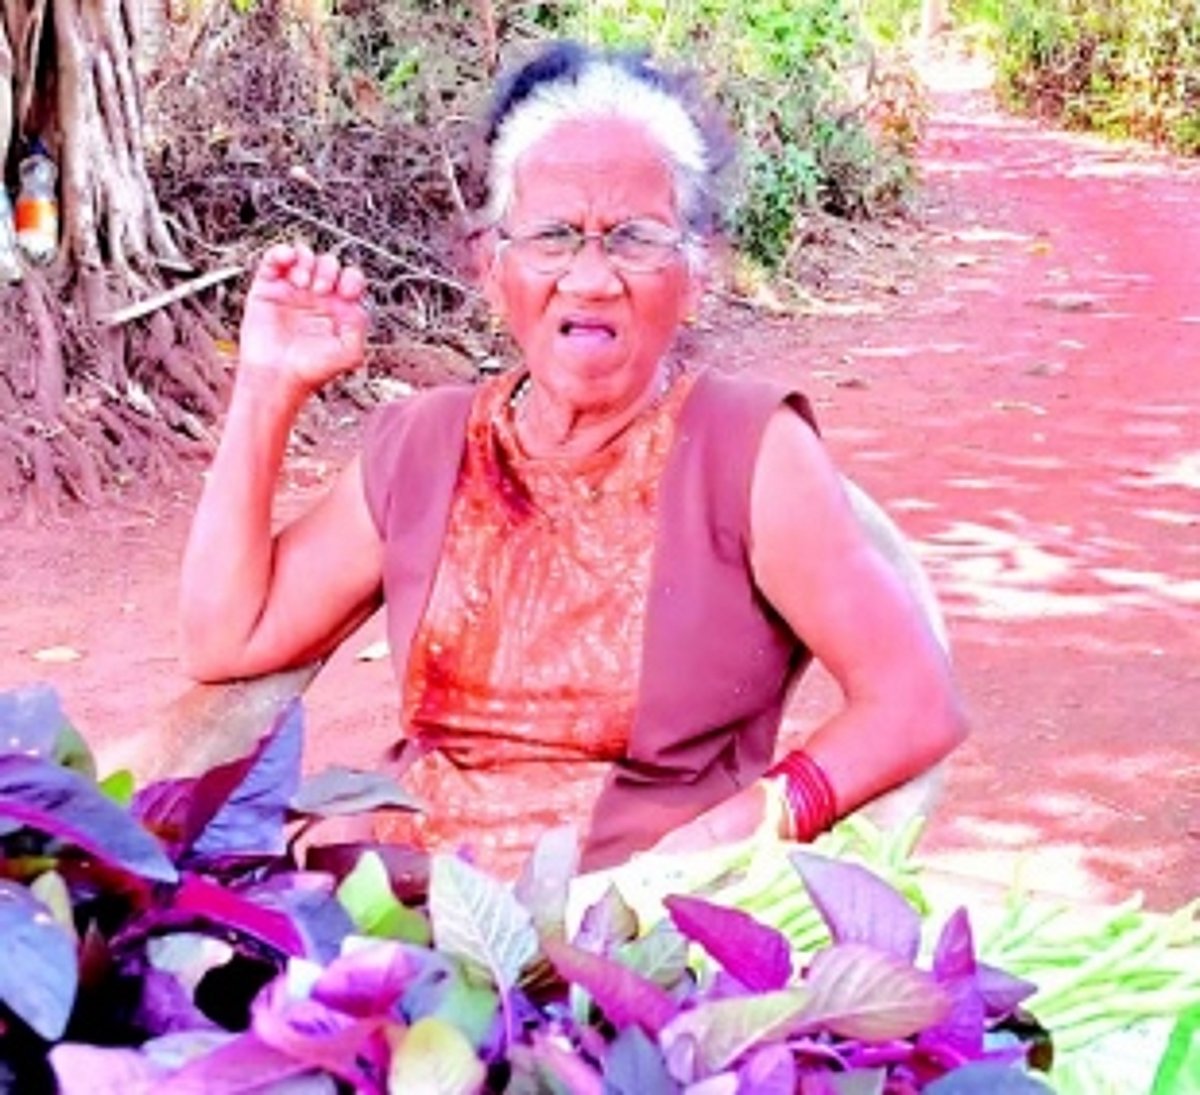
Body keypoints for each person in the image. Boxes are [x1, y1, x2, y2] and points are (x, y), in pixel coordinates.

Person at [178, 40, 966, 880]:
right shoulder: (421, 446)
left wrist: (753, 819)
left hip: (633, 943)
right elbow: (228, 637)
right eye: (554, 236)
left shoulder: (751, 453)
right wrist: (266, 388)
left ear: (695, 271)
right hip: (398, 923)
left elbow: (913, 701)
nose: (590, 278)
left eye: (633, 239)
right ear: (492, 264)